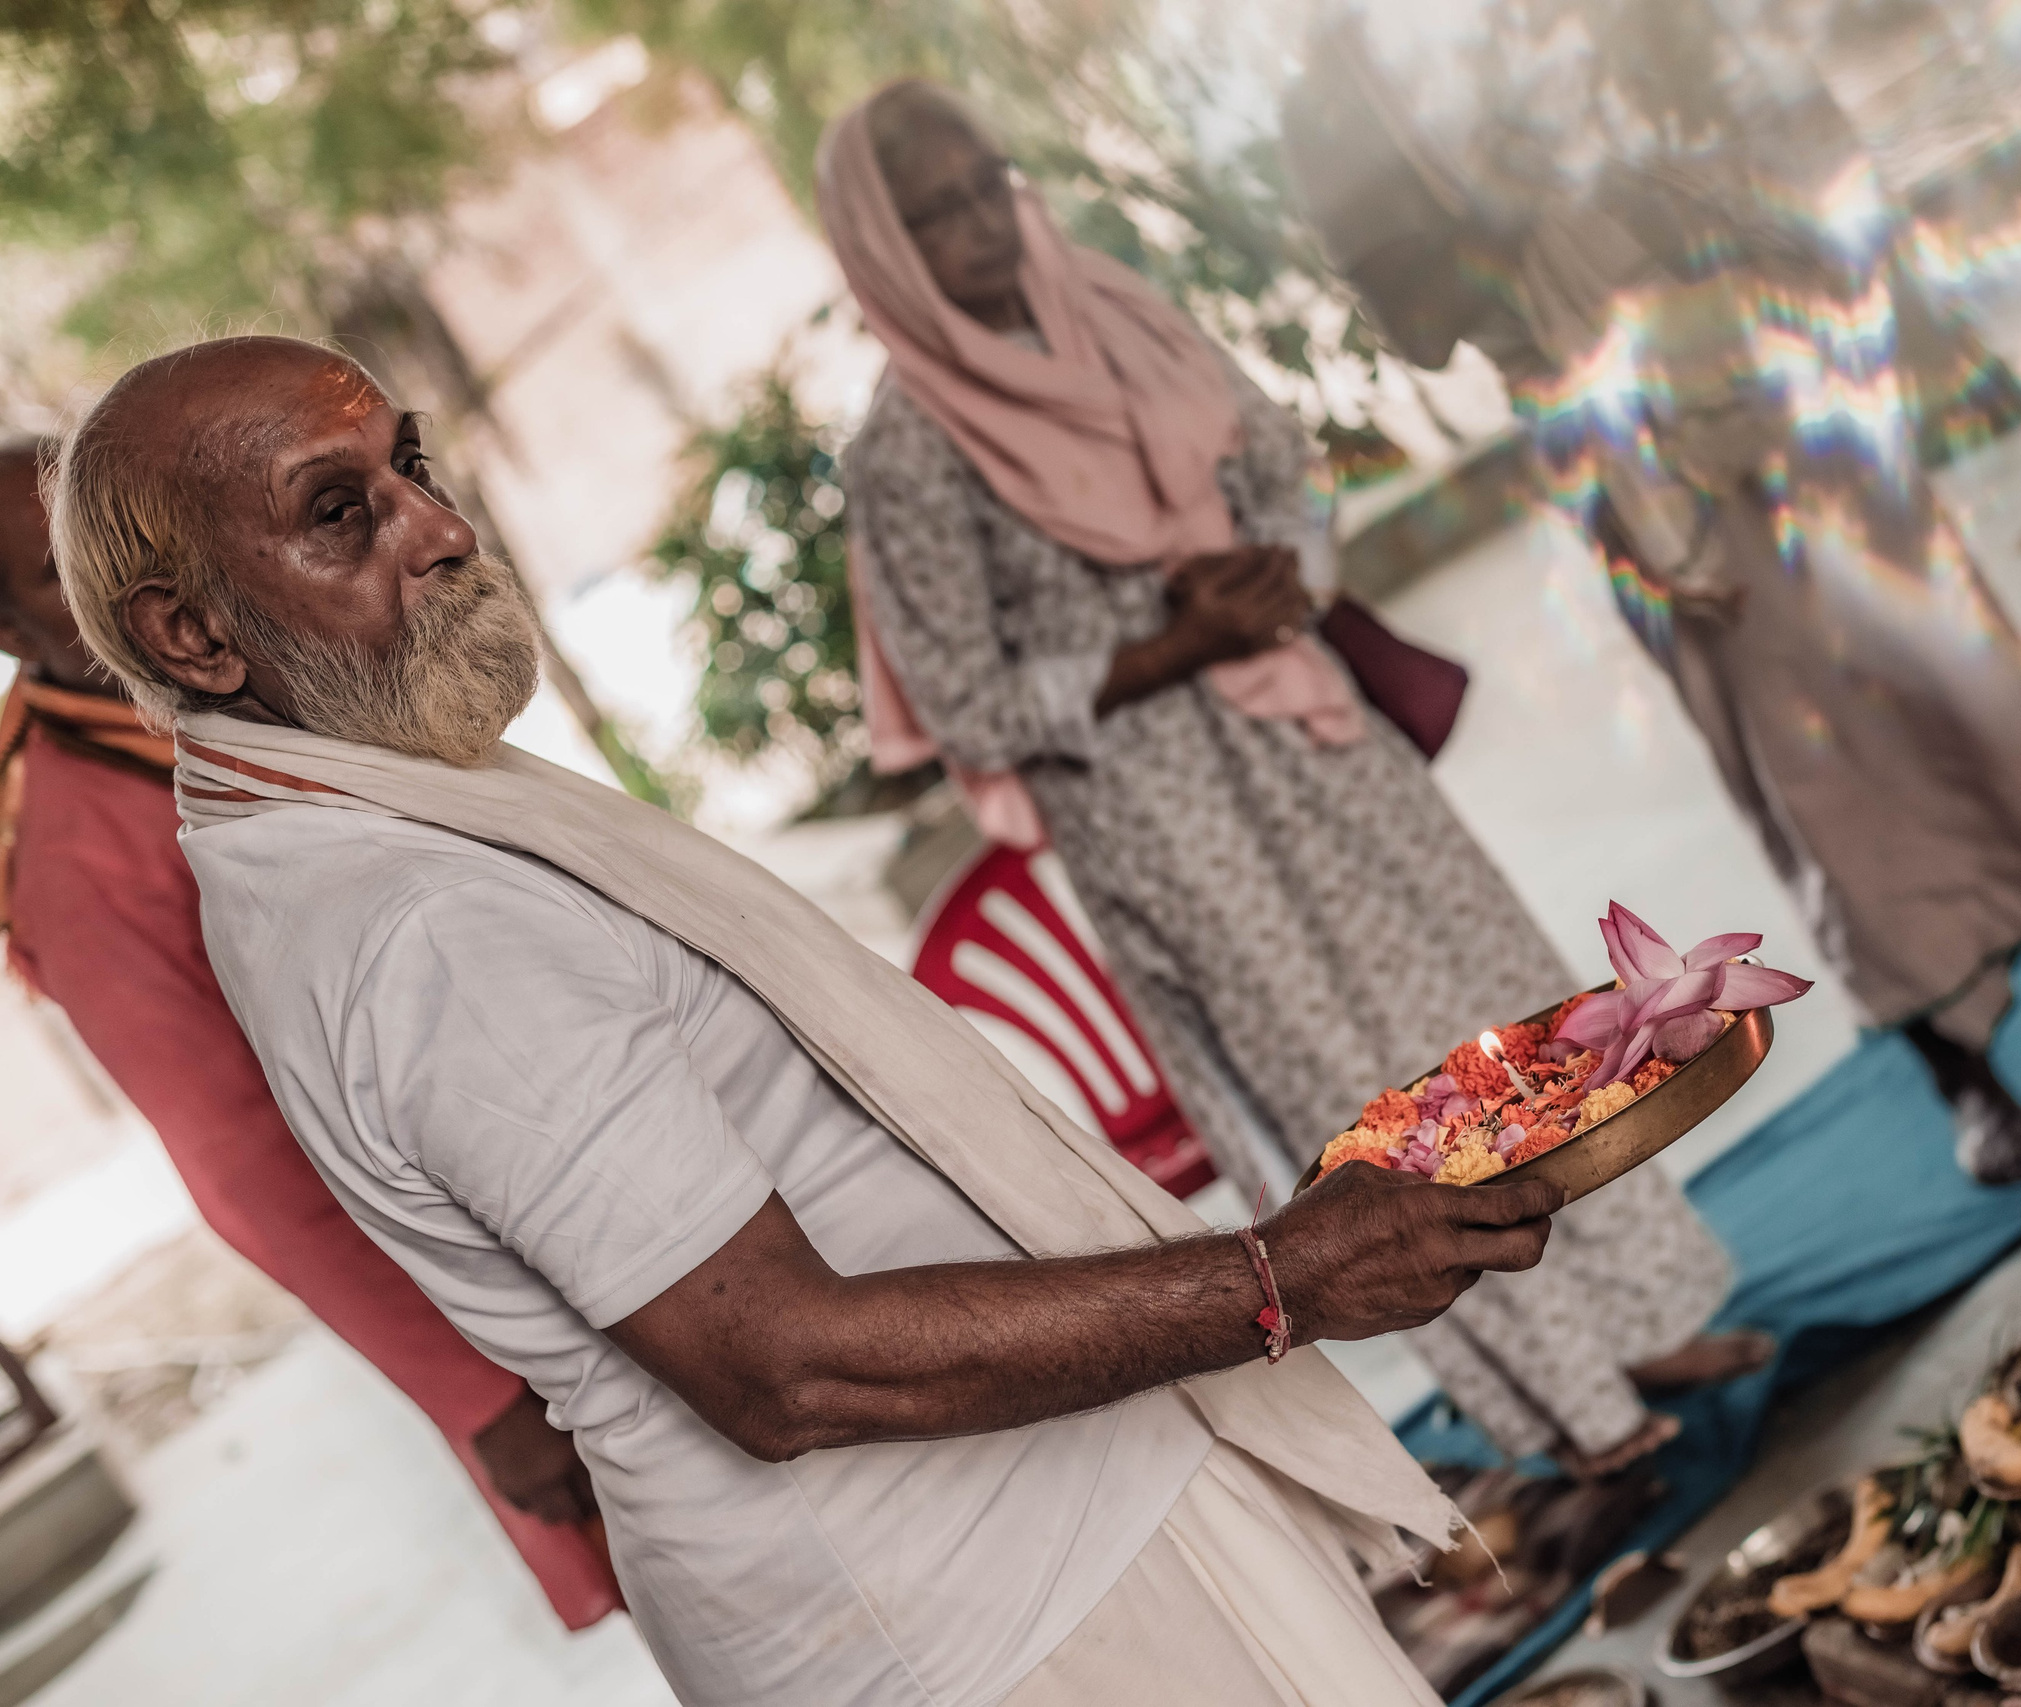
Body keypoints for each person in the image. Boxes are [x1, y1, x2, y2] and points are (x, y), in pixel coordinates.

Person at [45, 333, 1589, 1705]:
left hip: (1023, 1549)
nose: (442, 528)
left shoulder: (353, 820)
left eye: (409, 466)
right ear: (191, 637)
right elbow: (784, 1366)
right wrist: (1284, 1274)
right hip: (987, 1606)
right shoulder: (420, 920)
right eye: (342, 512)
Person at [820, 79, 1770, 1475]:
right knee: (1374, 1096)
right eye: (934, 214)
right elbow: (966, 698)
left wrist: (1275, 571)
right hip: (1166, 812)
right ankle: (1580, 1412)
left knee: (1498, 1021)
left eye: (985, 189)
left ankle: (1650, 1319)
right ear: (882, 250)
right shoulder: (906, 451)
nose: (978, 229)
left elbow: (1282, 465)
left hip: (1314, 728)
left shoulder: (1120, 312)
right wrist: (1174, 643)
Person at [1282, 12, 2021, 1184]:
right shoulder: (1334, 98)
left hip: (1777, 347)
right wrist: (1514, 218)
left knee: (1965, 667)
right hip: (1642, 451)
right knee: (1815, 765)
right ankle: (1960, 1077)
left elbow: (1725, 89)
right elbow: (1418, 326)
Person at [0, 439, 621, 1630]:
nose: (90, 590)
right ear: (12, 632)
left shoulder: (243, 674)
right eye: (48, 577)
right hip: (497, 1286)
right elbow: (239, 1163)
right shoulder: (75, 854)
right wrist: (478, 1395)